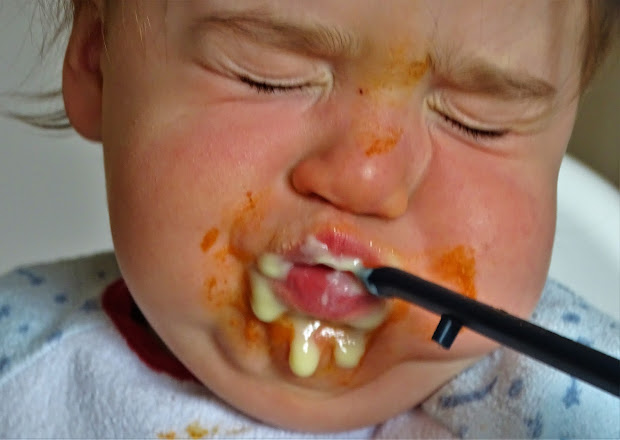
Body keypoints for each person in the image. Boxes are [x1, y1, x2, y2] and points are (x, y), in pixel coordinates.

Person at [1, 0, 618, 438]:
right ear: (98, 60)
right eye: (267, 74)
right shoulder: (23, 373)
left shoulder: (578, 409)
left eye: (477, 121)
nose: (365, 177)